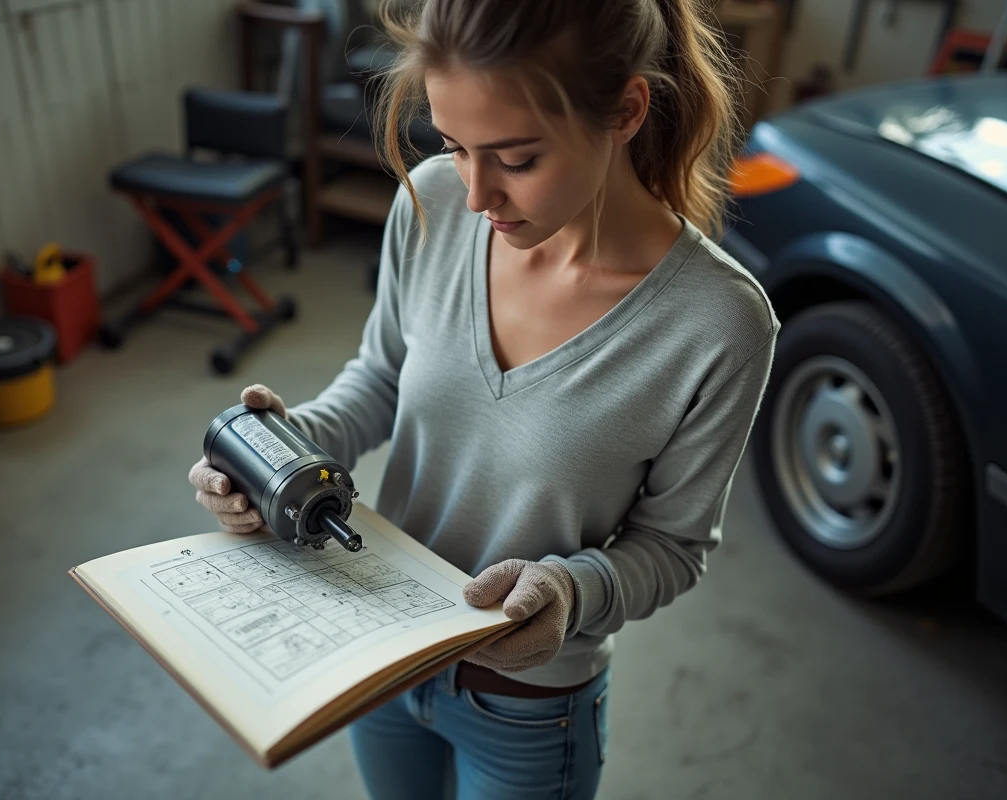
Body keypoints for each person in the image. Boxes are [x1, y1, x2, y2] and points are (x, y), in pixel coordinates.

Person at [188, 0, 780, 796]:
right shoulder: (429, 202)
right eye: (456, 146)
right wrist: (279, 451)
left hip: (529, 713)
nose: (476, 196)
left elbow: (673, 548)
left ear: (626, 111)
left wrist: (572, 593)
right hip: (379, 659)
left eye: (516, 158)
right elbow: (382, 376)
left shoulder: (719, 324)